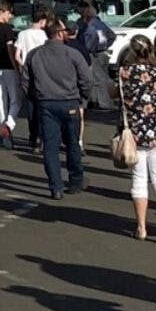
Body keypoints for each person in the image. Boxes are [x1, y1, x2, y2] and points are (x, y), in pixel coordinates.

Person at [22, 20, 92, 199]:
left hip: (46, 104)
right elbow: (86, 78)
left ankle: (56, 186)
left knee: (50, 147)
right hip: (69, 102)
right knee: (72, 143)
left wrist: (35, 98)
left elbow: (25, 82)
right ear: (60, 33)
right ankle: (75, 180)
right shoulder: (72, 54)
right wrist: (83, 97)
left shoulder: (34, 55)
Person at [115, 37, 156, 239]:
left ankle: (141, 227)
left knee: (139, 179)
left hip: (133, 134)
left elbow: (114, 95)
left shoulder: (124, 73)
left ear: (131, 52)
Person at [14, 10, 51, 152]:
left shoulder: (23, 34)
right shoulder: (43, 35)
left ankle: (32, 136)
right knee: (42, 104)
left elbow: (17, 55)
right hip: (42, 71)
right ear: (42, 21)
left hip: (27, 72)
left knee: (31, 104)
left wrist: (23, 66)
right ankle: (42, 136)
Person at [0, 4, 22, 148]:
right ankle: (9, 125)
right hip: (8, 67)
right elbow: (9, 50)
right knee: (16, 100)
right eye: (9, 13)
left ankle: (6, 139)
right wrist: (17, 68)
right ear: (2, 11)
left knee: (0, 103)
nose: (10, 16)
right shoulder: (7, 29)